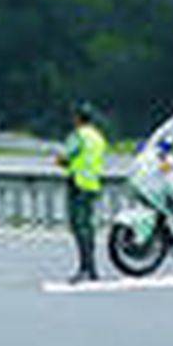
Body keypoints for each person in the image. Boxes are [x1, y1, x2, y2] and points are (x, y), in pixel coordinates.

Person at [55, 103, 107, 284]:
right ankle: (92, 269)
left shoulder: (78, 135)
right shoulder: (98, 137)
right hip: (93, 185)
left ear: (77, 118)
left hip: (77, 184)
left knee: (79, 227)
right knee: (88, 227)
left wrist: (60, 161)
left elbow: (64, 157)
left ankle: (85, 268)